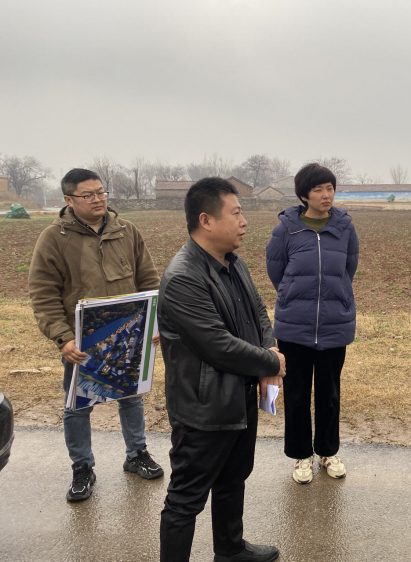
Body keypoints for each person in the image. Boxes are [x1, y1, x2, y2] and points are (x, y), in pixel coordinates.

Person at [158, 177, 285, 562]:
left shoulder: (232, 262)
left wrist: (269, 349)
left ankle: (230, 550)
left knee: (233, 478)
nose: (244, 222)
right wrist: (271, 362)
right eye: (236, 213)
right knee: (186, 497)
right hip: (204, 408)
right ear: (206, 220)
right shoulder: (183, 277)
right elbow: (216, 344)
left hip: (239, 397)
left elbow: (258, 312)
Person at [28, 168, 164, 503]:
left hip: (127, 333)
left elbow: (148, 279)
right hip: (81, 341)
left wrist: (154, 323)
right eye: (88, 195)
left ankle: (136, 454)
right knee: (78, 405)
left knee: (131, 396)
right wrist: (64, 338)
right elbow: (43, 295)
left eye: (101, 192)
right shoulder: (54, 239)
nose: (98, 199)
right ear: (69, 199)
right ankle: (82, 467)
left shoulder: (125, 231)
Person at [266, 163, 359, 484]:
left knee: (329, 393)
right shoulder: (286, 229)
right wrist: (295, 297)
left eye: (330, 188)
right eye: (318, 189)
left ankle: (328, 452)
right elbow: (277, 271)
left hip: (334, 325)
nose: (326, 195)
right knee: (296, 393)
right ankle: (301, 455)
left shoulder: (345, 227)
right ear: (304, 195)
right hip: (295, 327)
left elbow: (349, 269)